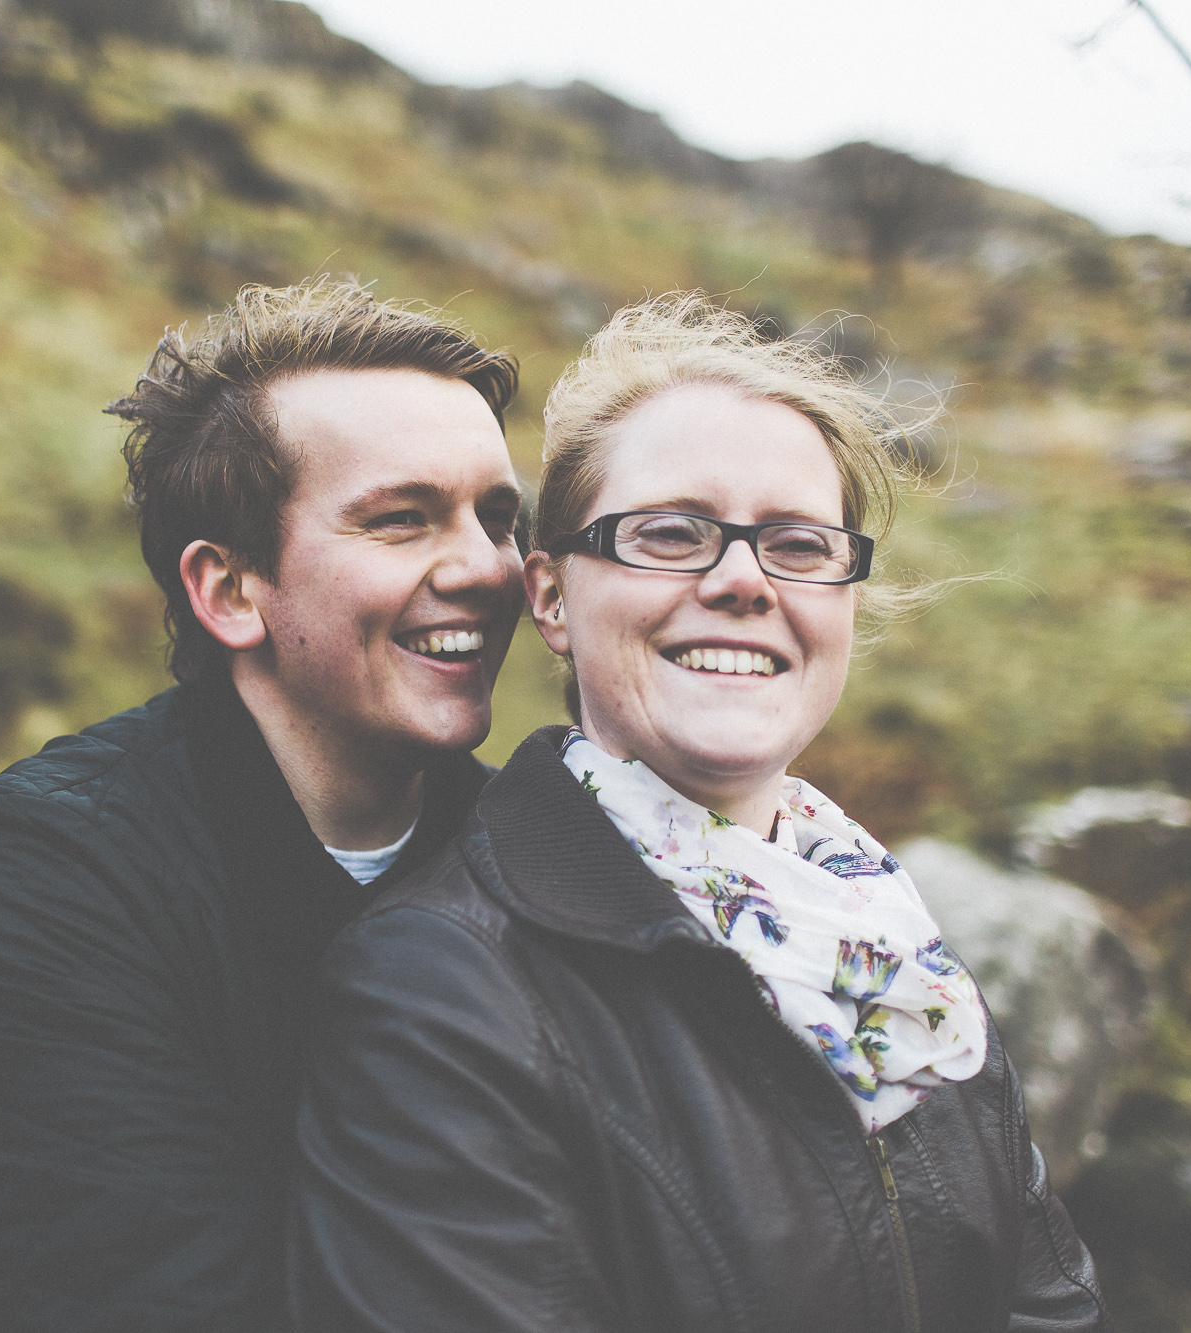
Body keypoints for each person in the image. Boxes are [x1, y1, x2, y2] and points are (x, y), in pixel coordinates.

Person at [289, 294, 1111, 1333]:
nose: (739, 581)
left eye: (799, 545)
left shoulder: (883, 938)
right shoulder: (435, 990)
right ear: (548, 596)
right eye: (670, 534)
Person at [0, 280, 526, 1332]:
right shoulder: (50, 871)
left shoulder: (538, 858)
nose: (485, 569)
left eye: (496, 517)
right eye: (402, 519)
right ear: (229, 590)